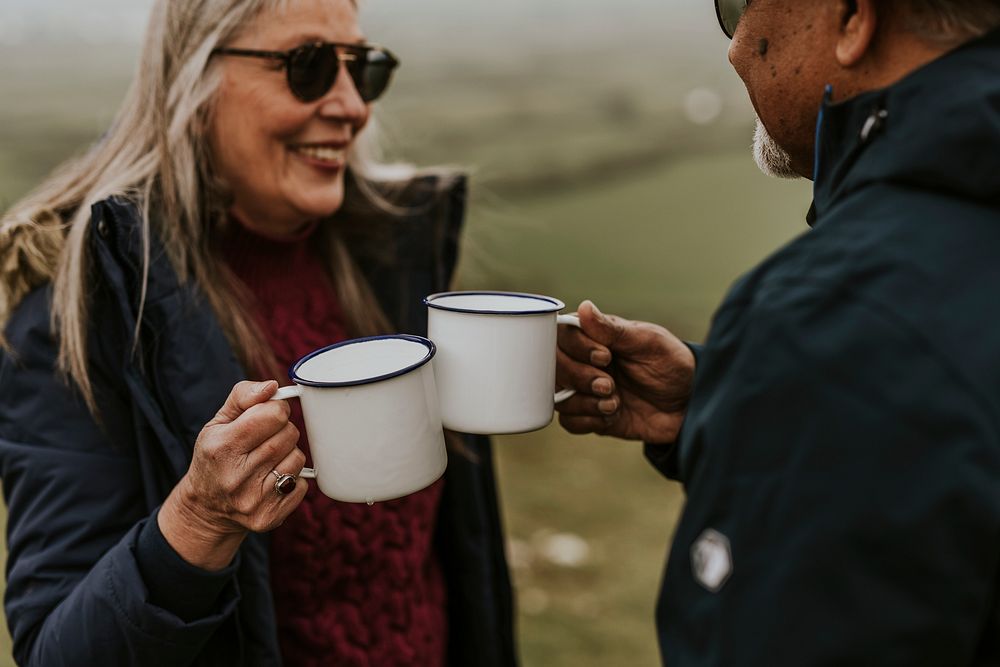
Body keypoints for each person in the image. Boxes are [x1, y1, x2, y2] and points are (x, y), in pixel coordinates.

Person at [0, 1, 515, 665]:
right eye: (309, 66)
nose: (353, 105)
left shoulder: (389, 255)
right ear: (194, 77)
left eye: (363, 68)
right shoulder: (83, 309)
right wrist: (198, 521)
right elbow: (56, 651)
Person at [556, 0, 1000, 663]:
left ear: (853, 17)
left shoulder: (827, 323)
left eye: (740, 4)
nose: (734, 48)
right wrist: (729, 400)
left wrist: (795, 373)